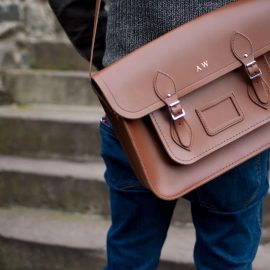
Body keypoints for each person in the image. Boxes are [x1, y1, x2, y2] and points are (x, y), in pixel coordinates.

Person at [48, 1, 270, 269]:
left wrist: (121, 63)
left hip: (136, 104)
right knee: (226, 260)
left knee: (131, 255)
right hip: (235, 94)